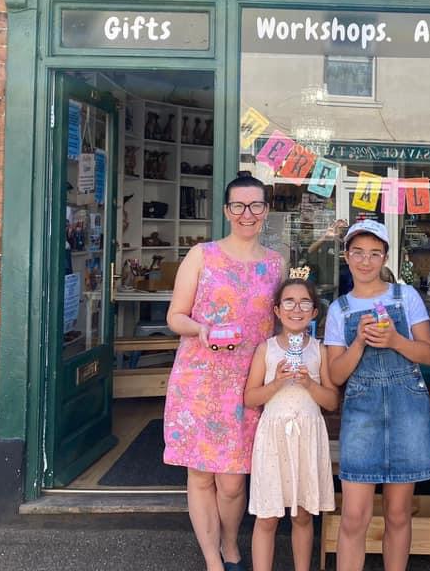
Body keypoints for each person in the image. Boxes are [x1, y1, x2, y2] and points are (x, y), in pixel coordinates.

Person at [164, 171, 285, 571]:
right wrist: (203, 329)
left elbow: (281, 324)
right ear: (226, 210)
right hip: (199, 380)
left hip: (247, 384)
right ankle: (214, 562)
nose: (246, 213)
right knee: (200, 475)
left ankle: (231, 544)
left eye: (255, 205)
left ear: (265, 211)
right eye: (238, 205)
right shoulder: (202, 254)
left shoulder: (275, 264)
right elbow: (175, 316)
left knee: (233, 481)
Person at [325, 219, 430, 571]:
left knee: (398, 513)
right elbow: (336, 374)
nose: (365, 260)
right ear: (346, 256)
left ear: (385, 257)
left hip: (408, 412)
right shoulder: (338, 310)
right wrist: (359, 341)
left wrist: (395, 340)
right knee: (353, 517)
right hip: (361, 415)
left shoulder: (405, 297)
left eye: (375, 253)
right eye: (358, 252)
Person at [244, 277, 339, 571]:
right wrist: (276, 382)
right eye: (289, 302)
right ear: (277, 310)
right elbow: (250, 397)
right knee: (268, 515)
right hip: (274, 437)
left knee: (302, 514)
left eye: (304, 303)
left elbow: (331, 402)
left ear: (314, 312)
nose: (296, 309)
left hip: (307, 435)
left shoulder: (319, 350)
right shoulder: (267, 349)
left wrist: (308, 382)